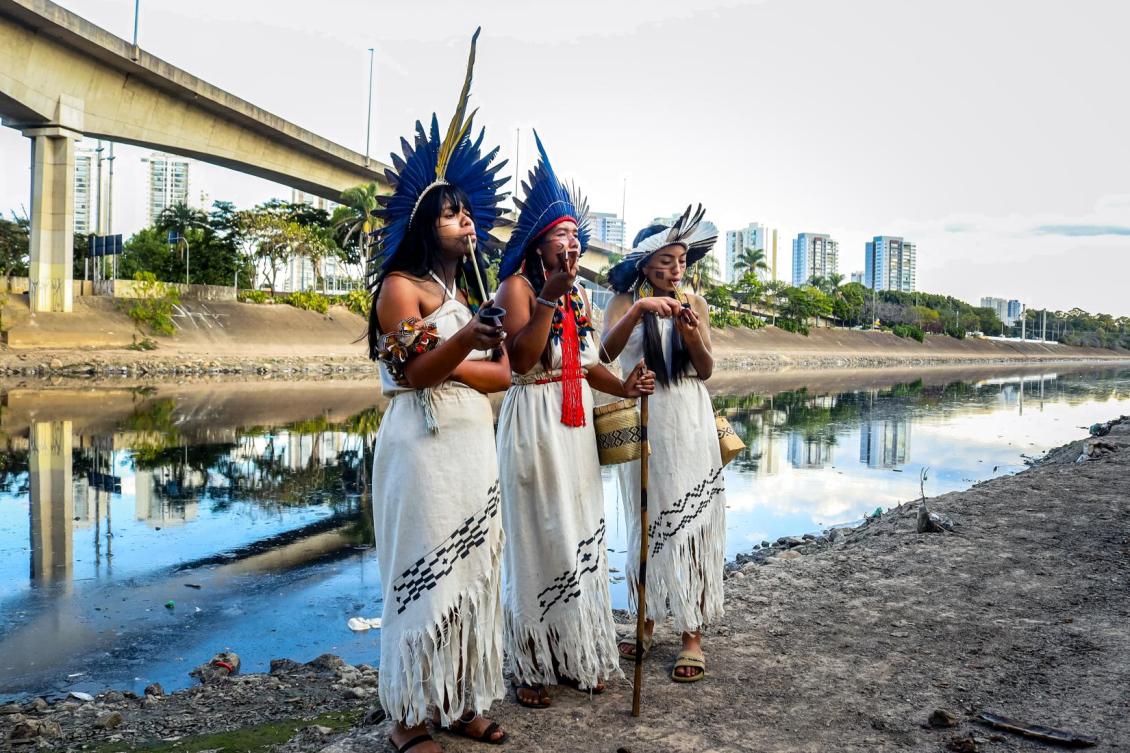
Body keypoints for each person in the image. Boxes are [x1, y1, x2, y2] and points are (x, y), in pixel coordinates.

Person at [367, 29, 513, 753]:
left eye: (470, 213)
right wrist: (463, 343)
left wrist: (463, 344)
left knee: (470, 574)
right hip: (421, 449)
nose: (470, 222)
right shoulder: (401, 287)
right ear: (429, 223)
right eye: (456, 213)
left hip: (467, 448)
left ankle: (458, 699)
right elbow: (411, 372)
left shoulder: (454, 297)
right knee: (420, 578)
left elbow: (504, 375)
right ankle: (406, 718)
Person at [493, 132, 655, 708]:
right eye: (561, 235)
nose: (571, 243)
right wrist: (546, 299)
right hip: (534, 421)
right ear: (539, 244)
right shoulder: (516, 287)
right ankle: (532, 663)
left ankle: (576, 653)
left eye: (575, 236)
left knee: (579, 533)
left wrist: (627, 387)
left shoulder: (579, 298)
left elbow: (586, 365)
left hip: (576, 423)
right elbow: (521, 360)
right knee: (538, 536)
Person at [600, 205, 727, 683]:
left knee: (691, 523)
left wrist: (693, 335)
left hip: (688, 418)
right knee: (646, 520)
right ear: (645, 265)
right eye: (668, 261)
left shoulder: (696, 302)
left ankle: (691, 633)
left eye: (681, 261)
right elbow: (605, 356)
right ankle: (646, 620)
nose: (678, 270)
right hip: (645, 417)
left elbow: (707, 369)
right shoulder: (621, 302)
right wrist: (638, 312)